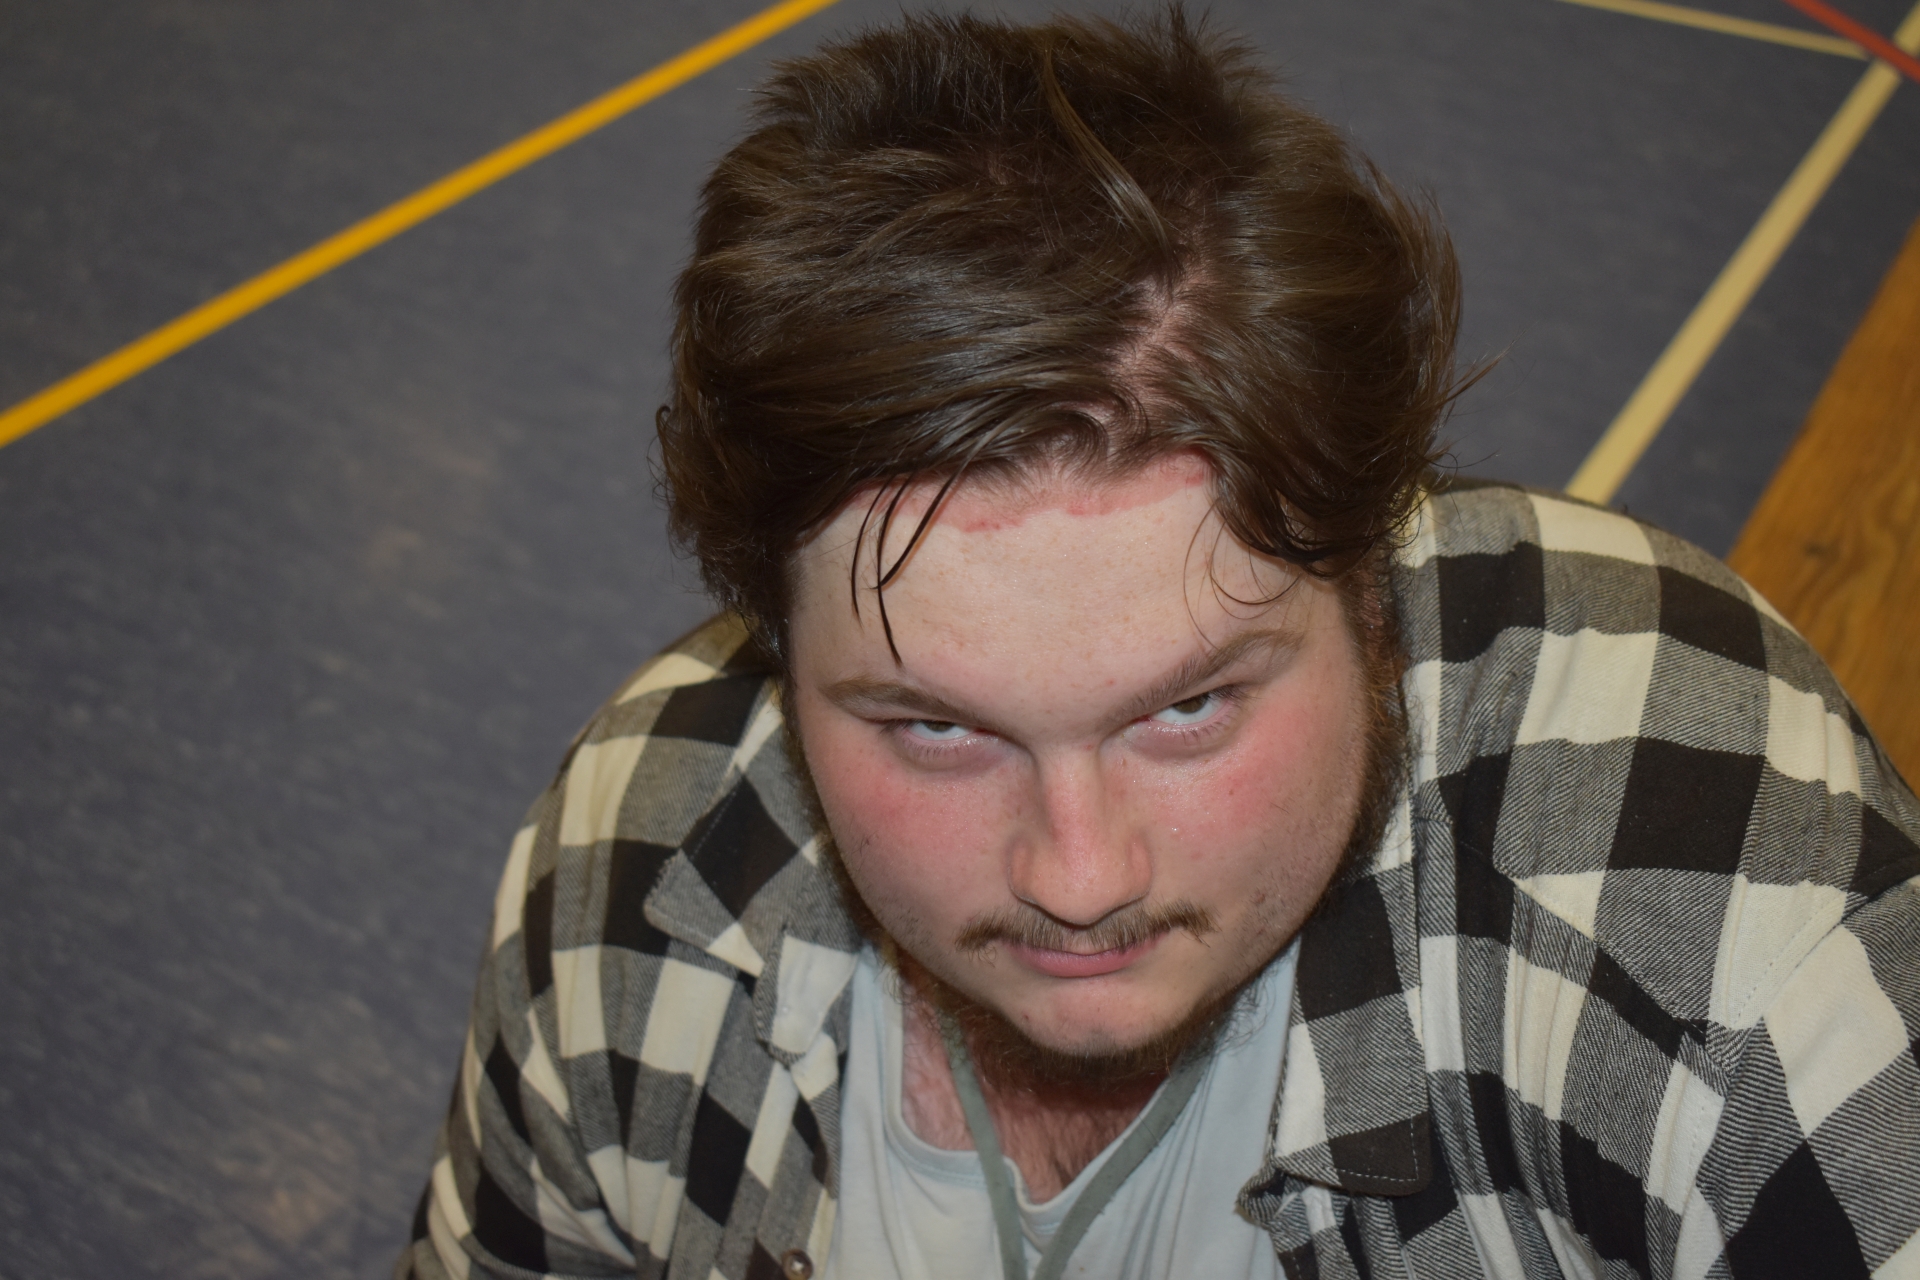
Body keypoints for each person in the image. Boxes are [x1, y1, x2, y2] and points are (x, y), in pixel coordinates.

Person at [396, 10, 1920, 1280]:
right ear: (779, 664)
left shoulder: (1725, 949)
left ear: (1375, 599)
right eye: (934, 728)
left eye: (1188, 709)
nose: (1079, 878)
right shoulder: (633, 878)